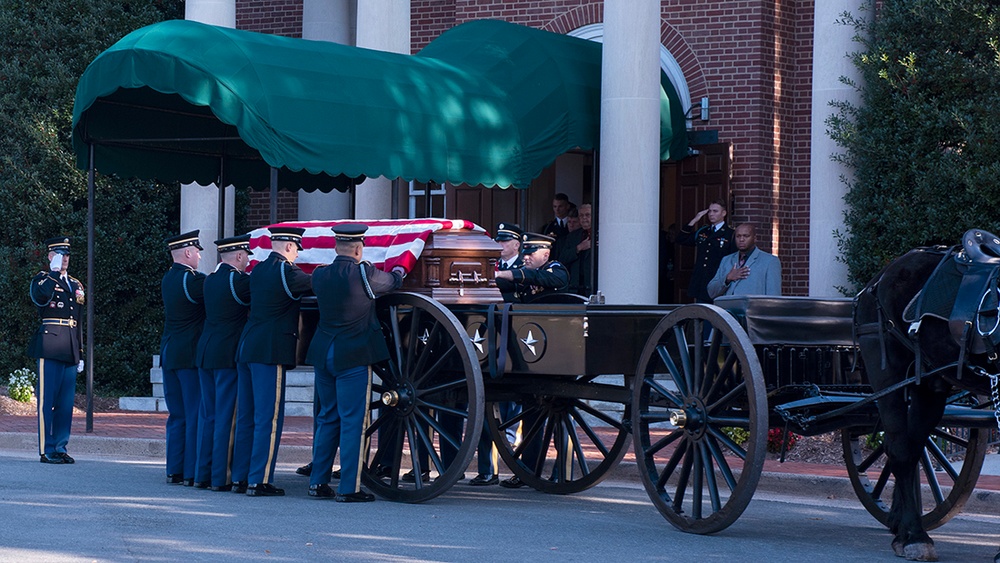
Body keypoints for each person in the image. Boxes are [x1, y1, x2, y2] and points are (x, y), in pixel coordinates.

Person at [306, 224, 404, 502]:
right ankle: (349, 487)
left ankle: (318, 481)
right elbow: (393, 282)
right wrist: (399, 270)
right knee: (352, 421)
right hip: (352, 356)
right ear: (359, 248)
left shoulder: (320, 275)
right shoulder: (364, 273)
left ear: (337, 247)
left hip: (324, 352)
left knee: (327, 417)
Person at [235, 226, 312, 497]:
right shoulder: (287, 272)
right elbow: (318, 282)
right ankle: (259, 479)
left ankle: (241, 477)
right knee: (268, 418)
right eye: (296, 250)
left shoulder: (258, 270)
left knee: (246, 416)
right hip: (268, 350)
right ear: (290, 247)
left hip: (247, 346)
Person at [493, 232, 569, 489]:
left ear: (545, 254)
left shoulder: (553, 269)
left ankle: (562, 471)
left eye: (530, 253)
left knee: (559, 418)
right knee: (531, 416)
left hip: (559, 354)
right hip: (532, 355)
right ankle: (527, 471)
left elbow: (554, 280)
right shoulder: (526, 274)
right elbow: (508, 286)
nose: (524, 257)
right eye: (524, 252)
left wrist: (513, 275)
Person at [194, 234, 253, 492]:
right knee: (227, 417)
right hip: (226, 354)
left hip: (206, 351)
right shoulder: (237, 281)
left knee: (208, 415)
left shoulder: (209, 280)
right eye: (247, 255)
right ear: (238, 255)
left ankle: (202, 474)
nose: (248, 260)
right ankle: (221, 477)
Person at [28, 236, 84, 465]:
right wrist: (52, 273)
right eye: (60, 254)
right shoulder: (42, 280)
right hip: (50, 345)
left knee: (65, 403)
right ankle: (46, 448)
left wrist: (80, 353)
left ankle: (61, 446)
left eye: (67, 255)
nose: (65, 259)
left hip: (70, 346)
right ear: (51, 256)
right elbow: (40, 298)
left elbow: (78, 320)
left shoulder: (76, 284)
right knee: (47, 400)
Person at [160, 230, 207, 485]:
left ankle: (174, 469)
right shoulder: (191, 280)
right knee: (193, 412)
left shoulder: (169, 278)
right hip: (188, 355)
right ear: (188, 252)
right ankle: (190, 471)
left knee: (177, 414)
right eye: (197, 251)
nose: (199, 256)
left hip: (169, 352)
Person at [676, 200, 734, 303]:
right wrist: (695, 220)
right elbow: (681, 239)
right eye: (709, 211)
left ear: (723, 213)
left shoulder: (730, 234)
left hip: (718, 281)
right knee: (701, 313)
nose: (711, 214)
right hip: (701, 281)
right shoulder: (703, 231)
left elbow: (734, 258)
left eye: (715, 211)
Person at [706, 223, 782, 299]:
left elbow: (774, 298)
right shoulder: (726, 260)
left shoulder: (770, 261)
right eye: (738, 236)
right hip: (728, 309)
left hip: (754, 310)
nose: (741, 239)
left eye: (746, 236)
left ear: (755, 238)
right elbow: (711, 292)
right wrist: (727, 278)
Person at [494, 233, 570, 303]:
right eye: (525, 254)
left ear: (546, 255)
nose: (526, 257)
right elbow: (507, 283)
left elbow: (536, 276)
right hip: (527, 314)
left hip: (553, 315)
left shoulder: (557, 270)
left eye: (531, 254)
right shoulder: (524, 270)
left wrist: (501, 273)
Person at [556, 203, 593, 296]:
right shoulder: (572, 236)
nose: (584, 218)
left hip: (594, 285)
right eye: (581, 215)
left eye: (587, 215)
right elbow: (562, 259)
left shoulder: (603, 234)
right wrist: (578, 248)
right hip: (575, 287)